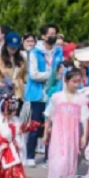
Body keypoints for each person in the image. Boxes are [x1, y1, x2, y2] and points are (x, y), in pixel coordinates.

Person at [43, 67, 89, 178]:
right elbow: (49, 115)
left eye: (78, 82)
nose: (76, 84)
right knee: (58, 159)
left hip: (73, 135)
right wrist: (45, 133)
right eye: (73, 81)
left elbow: (84, 117)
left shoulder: (81, 99)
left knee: (70, 159)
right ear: (66, 80)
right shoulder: (57, 97)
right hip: (58, 133)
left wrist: (84, 135)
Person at [24, 24, 63, 167]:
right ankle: (30, 156)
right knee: (35, 125)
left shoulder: (58, 52)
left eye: (55, 33)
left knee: (51, 125)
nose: (53, 36)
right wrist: (52, 76)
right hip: (37, 94)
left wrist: (57, 78)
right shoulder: (34, 52)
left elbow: (61, 72)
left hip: (53, 93)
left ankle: (49, 156)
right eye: (50, 34)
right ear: (43, 36)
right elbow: (33, 74)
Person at [0, 32, 26, 101]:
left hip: (19, 92)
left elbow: (25, 74)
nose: (13, 48)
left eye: (16, 47)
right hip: (5, 91)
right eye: (11, 46)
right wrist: (0, 84)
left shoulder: (22, 59)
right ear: (6, 45)